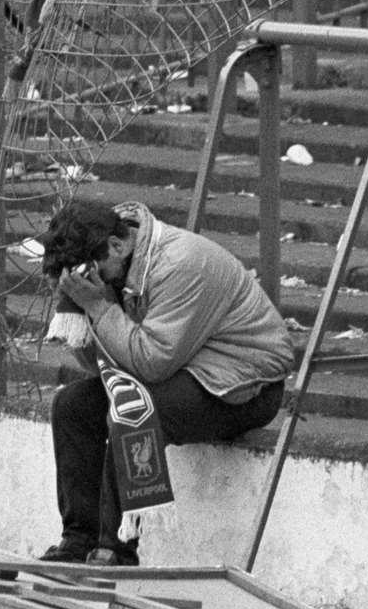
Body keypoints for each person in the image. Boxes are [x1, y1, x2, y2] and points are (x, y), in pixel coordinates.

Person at [37, 199, 295, 566]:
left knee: (136, 411)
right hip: (181, 368)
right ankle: (78, 541)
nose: (87, 280)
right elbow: (103, 367)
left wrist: (97, 307)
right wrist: (77, 306)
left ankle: (116, 550)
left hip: (243, 386)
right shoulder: (112, 268)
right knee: (73, 406)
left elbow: (151, 364)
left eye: (89, 270)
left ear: (117, 244)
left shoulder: (181, 264)